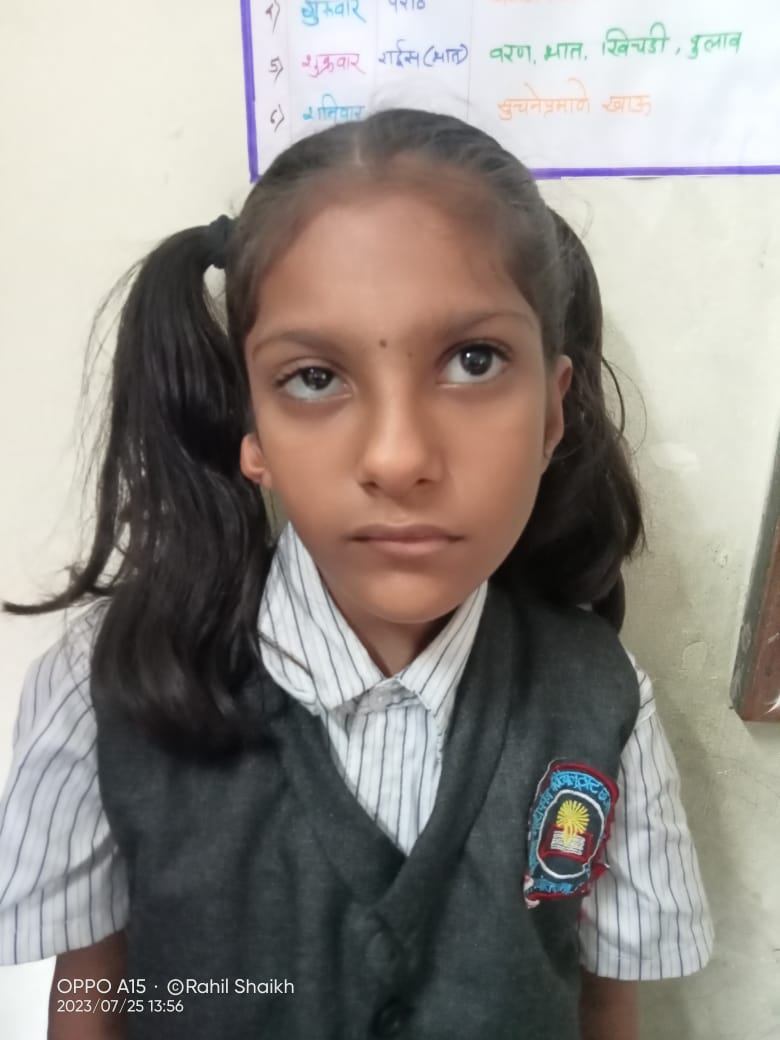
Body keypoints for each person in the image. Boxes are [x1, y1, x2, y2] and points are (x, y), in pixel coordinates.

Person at [0, 107, 712, 1039]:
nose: (397, 457)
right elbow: (93, 998)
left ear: (552, 412)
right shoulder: (110, 684)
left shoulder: (601, 701)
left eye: (474, 360)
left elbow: (605, 1007)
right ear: (251, 428)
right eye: (313, 377)